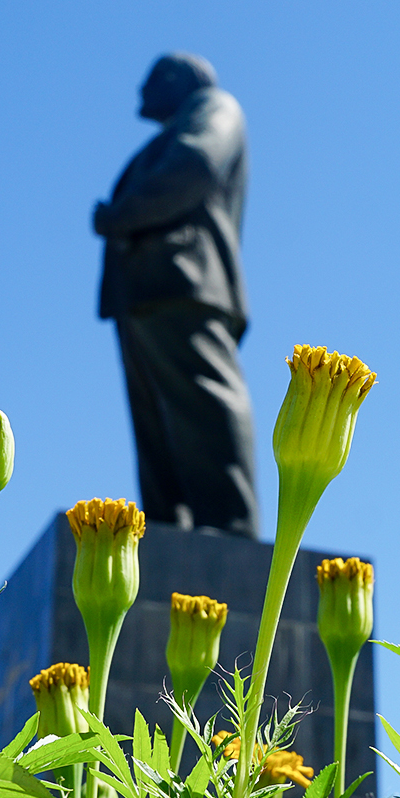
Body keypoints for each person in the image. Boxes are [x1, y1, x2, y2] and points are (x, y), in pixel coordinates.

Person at [94, 52, 258, 538]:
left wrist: (119, 214)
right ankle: (167, 527)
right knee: (156, 426)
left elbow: (197, 163)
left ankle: (229, 527)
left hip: (186, 281)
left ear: (178, 80)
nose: (140, 92)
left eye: (150, 81)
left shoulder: (214, 107)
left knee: (203, 404)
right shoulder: (172, 131)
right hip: (143, 292)